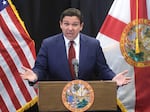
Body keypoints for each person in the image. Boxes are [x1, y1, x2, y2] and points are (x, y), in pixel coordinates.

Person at [20, 8, 131, 86]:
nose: (70, 28)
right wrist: (35, 75)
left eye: (74, 24)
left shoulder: (93, 44)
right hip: (57, 97)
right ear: (60, 25)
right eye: (66, 24)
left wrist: (113, 78)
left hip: (86, 98)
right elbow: (40, 68)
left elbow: (103, 69)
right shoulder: (48, 44)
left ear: (81, 26)